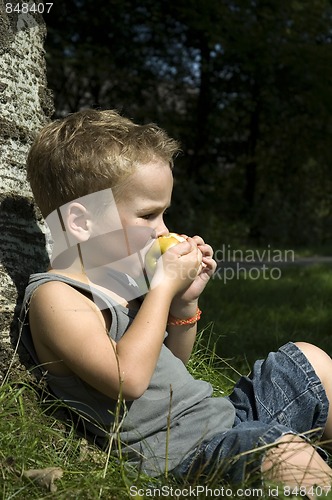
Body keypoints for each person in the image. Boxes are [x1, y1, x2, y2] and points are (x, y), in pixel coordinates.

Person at [20, 109, 332, 496]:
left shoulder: (122, 276)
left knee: (309, 360)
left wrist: (183, 304)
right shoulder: (57, 297)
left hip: (224, 422)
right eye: (149, 214)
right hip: (180, 459)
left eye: (164, 212)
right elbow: (128, 380)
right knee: (285, 454)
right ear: (81, 223)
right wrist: (162, 290)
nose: (164, 229)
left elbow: (171, 369)